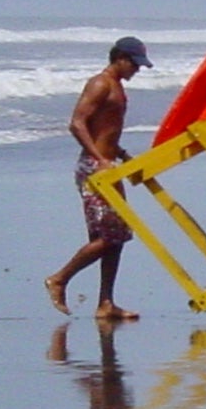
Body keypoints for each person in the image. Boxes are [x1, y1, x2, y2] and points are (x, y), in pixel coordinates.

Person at [45, 36, 152, 321]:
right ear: (120, 58)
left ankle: (106, 303)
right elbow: (77, 123)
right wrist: (99, 159)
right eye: (134, 64)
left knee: (115, 238)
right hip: (95, 170)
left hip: (109, 166)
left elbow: (106, 131)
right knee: (110, 235)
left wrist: (124, 158)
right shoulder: (100, 83)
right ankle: (59, 279)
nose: (137, 71)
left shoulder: (117, 87)